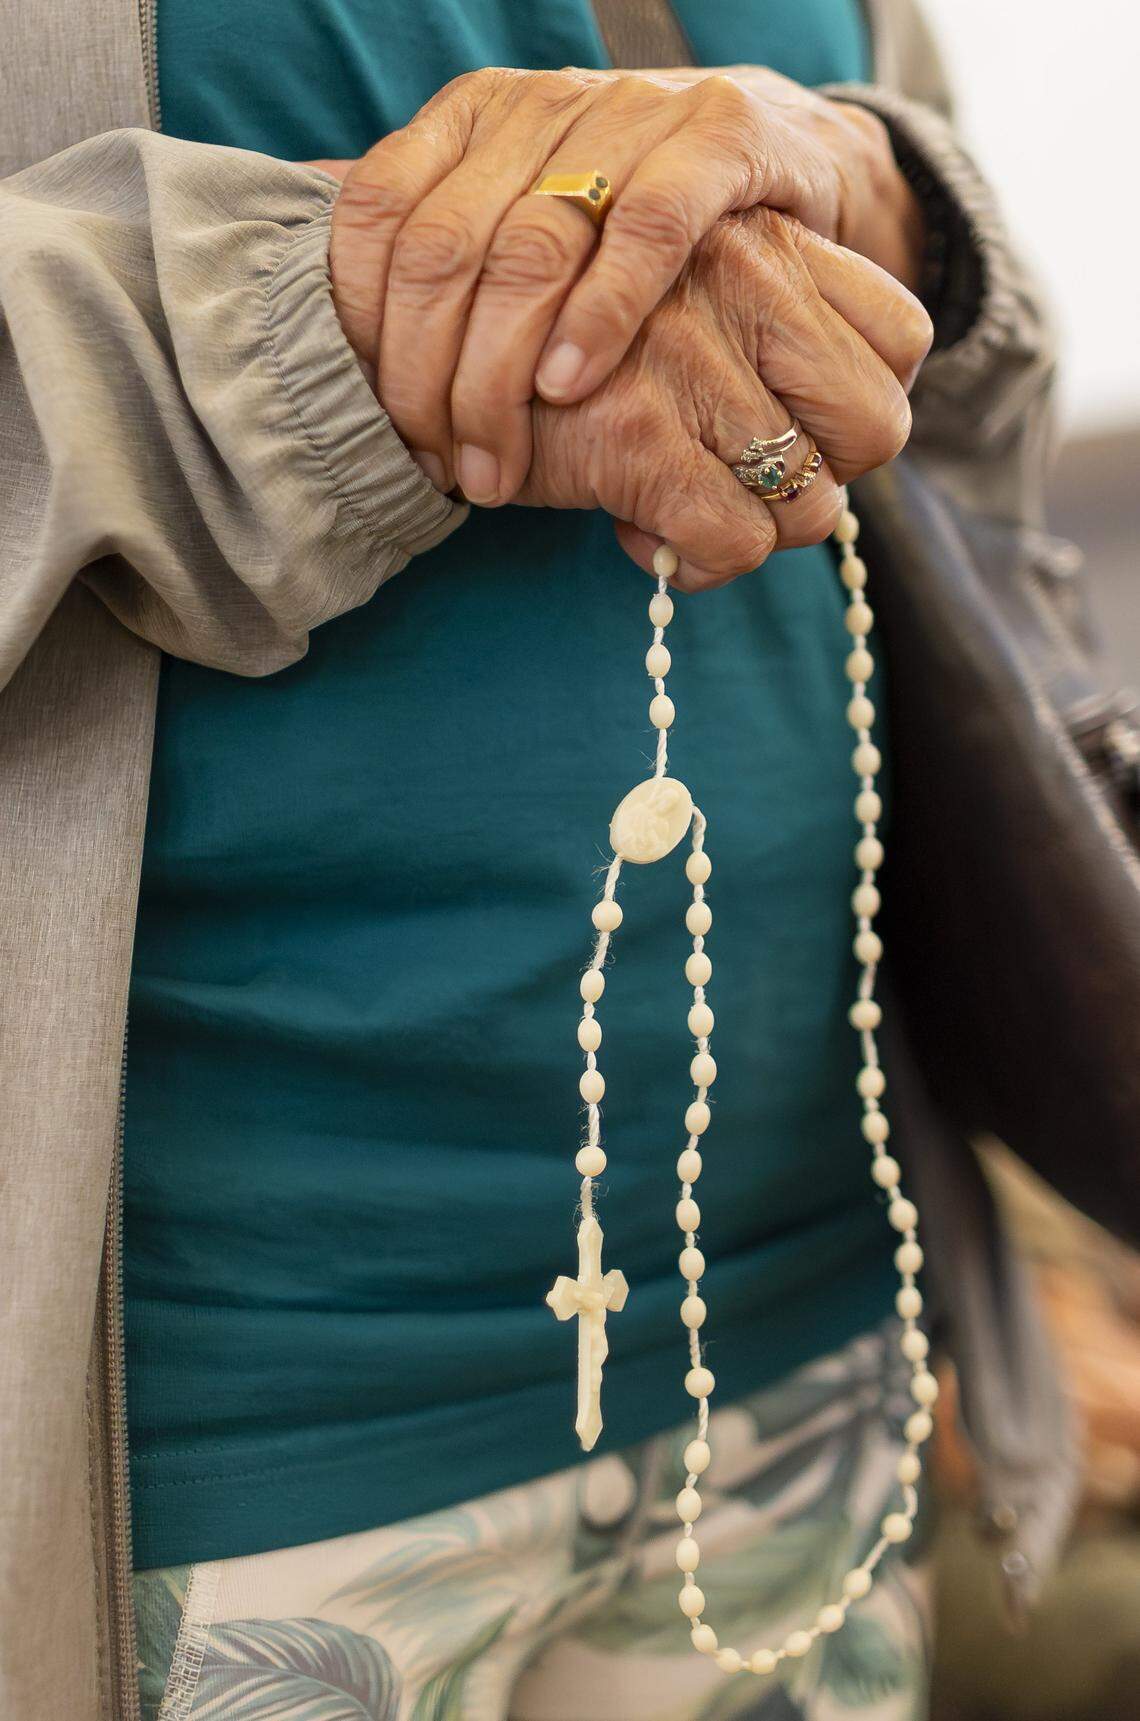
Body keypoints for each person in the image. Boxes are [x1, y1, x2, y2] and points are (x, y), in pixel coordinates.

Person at [0, 2, 1056, 1717]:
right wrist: (326, 329)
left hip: (805, 1337)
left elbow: (976, 420)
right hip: (197, 1439)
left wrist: (875, 188)